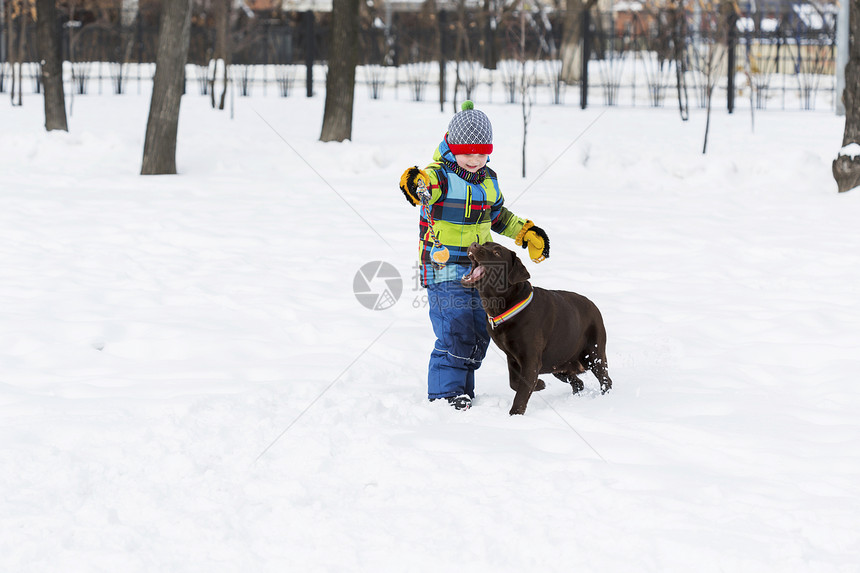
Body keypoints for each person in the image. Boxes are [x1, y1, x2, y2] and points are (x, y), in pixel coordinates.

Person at [399, 101, 550, 410]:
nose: (474, 160)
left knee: (481, 331)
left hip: (484, 271)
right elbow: (425, 184)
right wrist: (416, 182)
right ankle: (445, 395)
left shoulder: (489, 180)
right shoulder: (439, 177)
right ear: (452, 148)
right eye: (467, 152)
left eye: (482, 154)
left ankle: (462, 390)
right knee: (455, 329)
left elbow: (500, 217)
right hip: (444, 269)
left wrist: (525, 233)